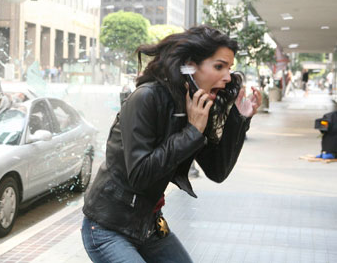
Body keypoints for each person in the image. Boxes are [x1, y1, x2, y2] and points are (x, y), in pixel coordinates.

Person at [81, 25, 261, 262]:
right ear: (190, 66)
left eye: (229, 68)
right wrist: (192, 132)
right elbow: (140, 175)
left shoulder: (196, 108)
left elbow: (217, 171)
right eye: (219, 66)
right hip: (108, 228)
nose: (228, 77)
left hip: (149, 227)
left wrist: (239, 119)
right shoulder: (146, 98)